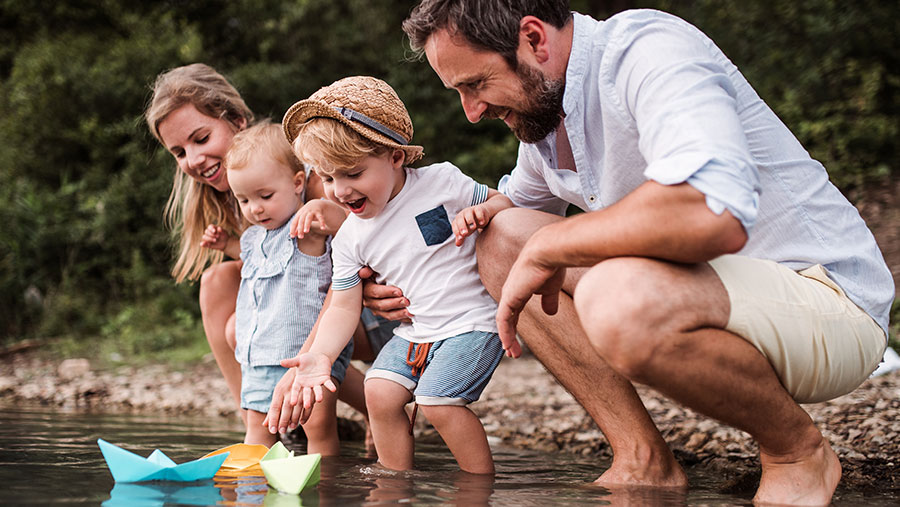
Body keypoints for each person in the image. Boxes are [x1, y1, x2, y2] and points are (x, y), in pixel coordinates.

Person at [392, 1, 892, 504]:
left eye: (475, 85)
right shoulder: (545, 120)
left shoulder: (645, 49)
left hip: (827, 302)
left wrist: (554, 243)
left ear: (534, 39)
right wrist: (395, 282)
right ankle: (642, 457)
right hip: (714, 298)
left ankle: (796, 453)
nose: (472, 113)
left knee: (618, 297)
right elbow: (509, 226)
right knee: (502, 240)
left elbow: (710, 209)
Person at [277, 76, 513, 474]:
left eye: (352, 173)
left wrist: (485, 212)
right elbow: (343, 307)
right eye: (329, 177)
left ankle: (478, 487)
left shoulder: (442, 182)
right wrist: (321, 355)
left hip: (470, 322)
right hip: (415, 332)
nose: (339, 190)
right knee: (379, 392)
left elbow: (503, 202)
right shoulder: (350, 236)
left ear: (395, 157)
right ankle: (394, 484)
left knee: (439, 402)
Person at [144, 63, 395, 437]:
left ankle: (324, 411)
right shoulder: (241, 199)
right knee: (218, 283)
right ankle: (259, 417)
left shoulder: (312, 182)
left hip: (373, 310)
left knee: (261, 333)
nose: (193, 159)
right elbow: (272, 268)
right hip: (315, 314)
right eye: (179, 152)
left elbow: (346, 273)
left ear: (238, 120)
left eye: (201, 138)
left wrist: (305, 364)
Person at [199, 121, 349, 451]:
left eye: (265, 196)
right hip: (259, 355)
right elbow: (255, 260)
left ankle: (327, 486)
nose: (255, 208)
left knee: (318, 429)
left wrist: (323, 208)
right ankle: (250, 492)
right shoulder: (253, 237)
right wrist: (227, 245)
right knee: (258, 428)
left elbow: (351, 230)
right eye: (244, 200)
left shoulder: (306, 228)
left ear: (298, 183)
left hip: (304, 354)